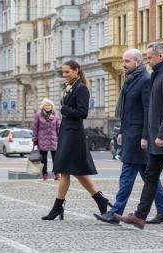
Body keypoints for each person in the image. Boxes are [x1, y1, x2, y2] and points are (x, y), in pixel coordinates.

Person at [115, 42, 163, 232]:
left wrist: (162, 135)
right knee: (151, 176)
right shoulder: (159, 74)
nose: (148, 60)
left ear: (161, 56)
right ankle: (140, 216)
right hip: (159, 139)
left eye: (150, 57)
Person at [94, 49, 163, 225]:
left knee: (127, 175)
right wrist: (121, 131)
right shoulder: (130, 80)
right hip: (130, 134)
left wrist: (145, 136)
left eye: (127, 61)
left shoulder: (144, 80)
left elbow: (148, 111)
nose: (123, 64)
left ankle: (115, 213)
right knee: (149, 178)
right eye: (123, 60)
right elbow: (127, 110)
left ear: (137, 62)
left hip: (138, 138)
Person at [41, 60, 111, 221]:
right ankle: (101, 200)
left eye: (67, 72)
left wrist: (65, 110)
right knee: (74, 171)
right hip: (67, 131)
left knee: (66, 170)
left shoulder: (81, 88)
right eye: (63, 72)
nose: (64, 75)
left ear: (76, 71)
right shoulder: (69, 87)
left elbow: (83, 112)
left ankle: (58, 207)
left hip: (74, 133)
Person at [32, 98, 61, 181]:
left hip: (53, 139)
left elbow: (58, 127)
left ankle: (57, 174)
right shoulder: (38, 115)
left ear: (52, 106)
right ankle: (44, 174)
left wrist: (60, 138)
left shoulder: (56, 115)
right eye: (46, 105)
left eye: (49, 105)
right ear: (43, 106)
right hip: (42, 139)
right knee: (43, 159)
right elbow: (35, 128)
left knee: (56, 159)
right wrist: (34, 138)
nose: (48, 107)